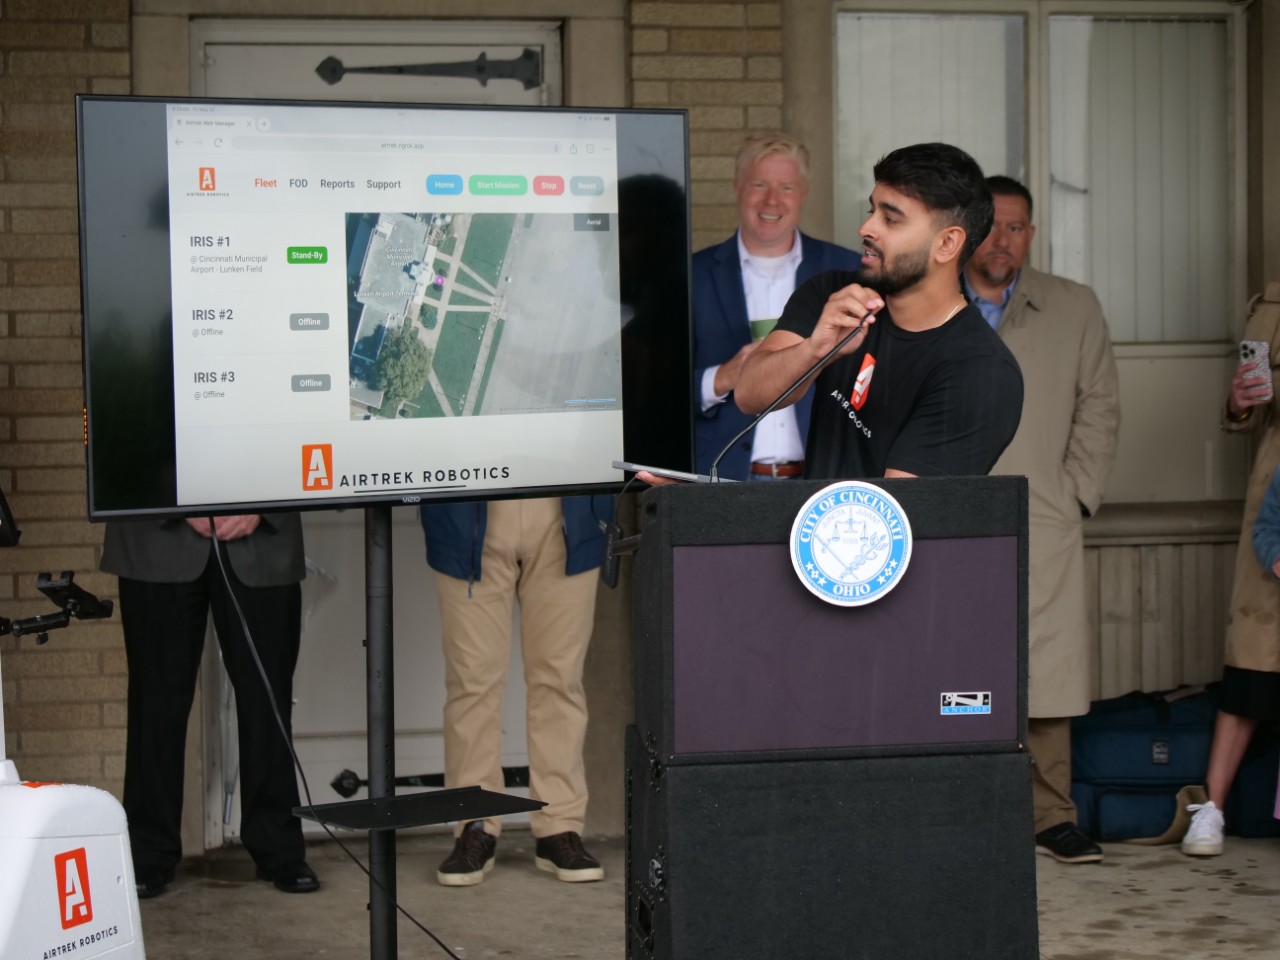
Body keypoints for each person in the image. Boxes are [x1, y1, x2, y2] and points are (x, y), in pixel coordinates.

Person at [963, 175, 1121, 864]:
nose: (1006, 240)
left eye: (1018, 228)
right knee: (959, 657)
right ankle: (966, 807)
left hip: (1043, 509)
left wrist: (1075, 493)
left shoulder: (1072, 306)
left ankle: (1050, 814)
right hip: (952, 512)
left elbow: (1101, 407)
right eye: (994, 226)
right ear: (967, 230)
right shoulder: (929, 301)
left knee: (1047, 665)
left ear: (1033, 233)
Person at [730, 141, 1023, 480]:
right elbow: (749, 395)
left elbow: (896, 516)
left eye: (891, 219)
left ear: (946, 244)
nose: (867, 228)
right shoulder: (834, 294)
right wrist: (814, 351)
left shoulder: (980, 371)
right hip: (808, 529)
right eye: (872, 211)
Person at [100, 515, 318, 898]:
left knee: (268, 703)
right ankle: (147, 849)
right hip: (156, 538)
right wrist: (182, 504)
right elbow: (122, 452)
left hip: (261, 540)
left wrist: (257, 507)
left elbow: (286, 450)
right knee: (155, 705)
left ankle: (277, 846)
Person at [418, 495, 612, 885]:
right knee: (472, 683)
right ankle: (474, 824)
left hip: (569, 509)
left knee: (560, 679)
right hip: (470, 506)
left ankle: (559, 824)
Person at [693, 132, 860, 479]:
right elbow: (655, 392)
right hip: (721, 480)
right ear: (737, 188)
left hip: (822, 477)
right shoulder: (692, 275)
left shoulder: (848, 271)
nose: (772, 201)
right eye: (759, 185)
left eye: (786, 187)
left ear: (803, 194)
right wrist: (721, 378)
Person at [1182, 282, 1280, 857]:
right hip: (1278, 494)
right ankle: (1210, 809)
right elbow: (1248, 408)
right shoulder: (1272, 304)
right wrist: (1239, 402)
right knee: (1254, 656)